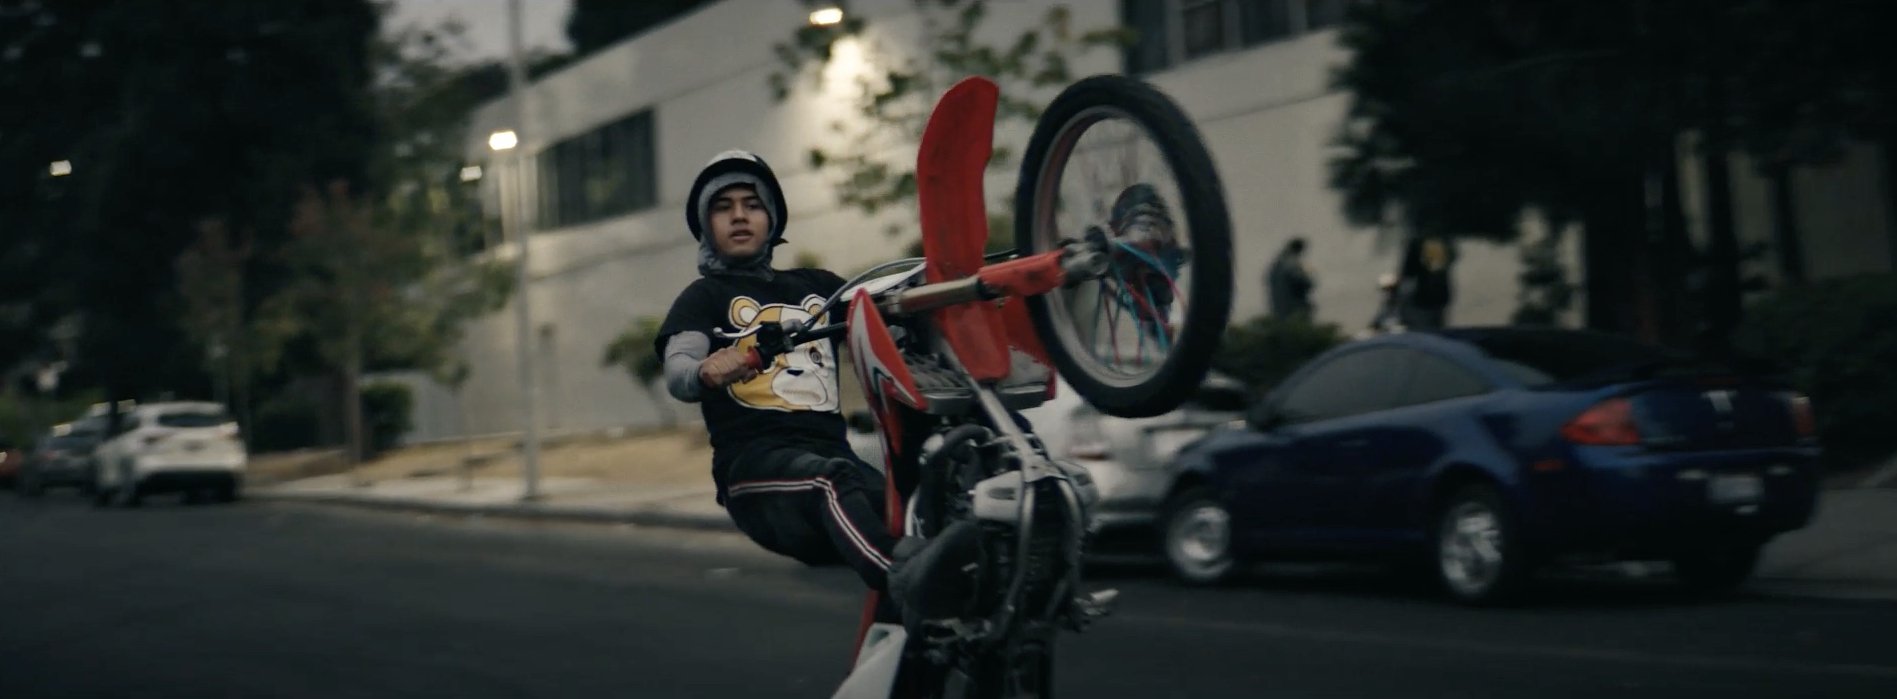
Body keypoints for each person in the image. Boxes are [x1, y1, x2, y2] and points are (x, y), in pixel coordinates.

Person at [653, 151, 974, 618]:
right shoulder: (703, 297)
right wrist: (707, 369)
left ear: (772, 216)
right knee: (830, 481)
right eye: (723, 207)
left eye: (752, 204)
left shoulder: (820, 287)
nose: (739, 215)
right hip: (756, 472)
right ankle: (904, 577)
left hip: (835, 460)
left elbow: (889, 317)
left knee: (913, 509)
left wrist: (959, 293)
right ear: (706, 224)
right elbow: (679, 371)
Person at [1398, 233, 1456, 329]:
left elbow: (1409, 273)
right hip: (1435, 296)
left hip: (1423, 299)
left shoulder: (1424, 240)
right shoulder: (1440, 239)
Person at [1267, 237, 1314, 319]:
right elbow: (1302, 281)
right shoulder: (1291, 263)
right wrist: (1308, 280)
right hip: (1291, 305)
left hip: (1279, 305)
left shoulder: (1277, 264)